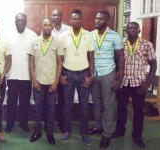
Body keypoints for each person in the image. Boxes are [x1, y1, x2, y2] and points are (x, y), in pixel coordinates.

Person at [112, 22, 157, 148]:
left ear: (139, 30)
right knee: (121, 108)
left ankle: (137, 135)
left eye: (134, 28)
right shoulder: (120, 43)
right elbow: (115, 62)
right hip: (123, 82)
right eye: (129, 28)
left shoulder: (147, 45)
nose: (131, 30)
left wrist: (147, 83)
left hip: (139, 83)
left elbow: (153, 64)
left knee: (139, 111)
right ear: (126, 30)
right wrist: (116, 79)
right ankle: (120, 130)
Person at [89, 10, 124, 149]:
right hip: (94, 73)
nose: (97, 21)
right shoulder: (90, 35)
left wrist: (119, 78)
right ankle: (98, 126)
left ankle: (107, 133)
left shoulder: (115, 36)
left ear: (107, 21)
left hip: (108, 73)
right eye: (96, 18)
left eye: (100, 19)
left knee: (108, 105)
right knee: (96, 103)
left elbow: (121, 57)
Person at [59, 9, 94, 145]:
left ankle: (85, 133)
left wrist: (91, 76)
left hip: (84, 74)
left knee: (84, 106)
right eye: (73, 19)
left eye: (78, 19)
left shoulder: (88, 35)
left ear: (82, 20)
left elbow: (91, 58)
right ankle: (67, 131)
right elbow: (60, 59)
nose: (76, 21)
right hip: (68, 74)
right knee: (67, 105)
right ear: (70, 20)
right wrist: (61, 75)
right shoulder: (63, 36)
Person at [28, 17, 63, 145]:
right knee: (38, 109)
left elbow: (60, 62)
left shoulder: (58, 42)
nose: (47, 27)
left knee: (51, 109)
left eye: (49, 25)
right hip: (38, 82)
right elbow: (31, 62)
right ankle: (37, 132)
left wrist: (55, 82)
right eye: (45, 25)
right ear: (41, 26)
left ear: (52, 26)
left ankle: (49, 132)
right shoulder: (34, 41)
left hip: (51, 83)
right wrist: (34, 80)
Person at [4, 13, 37, 133]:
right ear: (15, 22)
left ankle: (24, 123)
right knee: (11, 101)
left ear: (26, 21)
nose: (20, 23)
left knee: (25, 101)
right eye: (17, 21)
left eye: (22, 21)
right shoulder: (8, 35)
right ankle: (9, 123)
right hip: (12, 74)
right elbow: (5, 56)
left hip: (27, 75)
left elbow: (35, 56)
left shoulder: (33, 35)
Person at [51, 8, 71, 133]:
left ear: (62, 16)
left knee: (64, 100)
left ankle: (63, 124)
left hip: (65, 70)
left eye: (58, 14)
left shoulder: (69, 30)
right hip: (51, 71)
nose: (56, 17)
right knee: (51, 99)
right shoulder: (47, 31)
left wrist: (63, 74)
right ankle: (50, 124)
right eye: (54, 15)